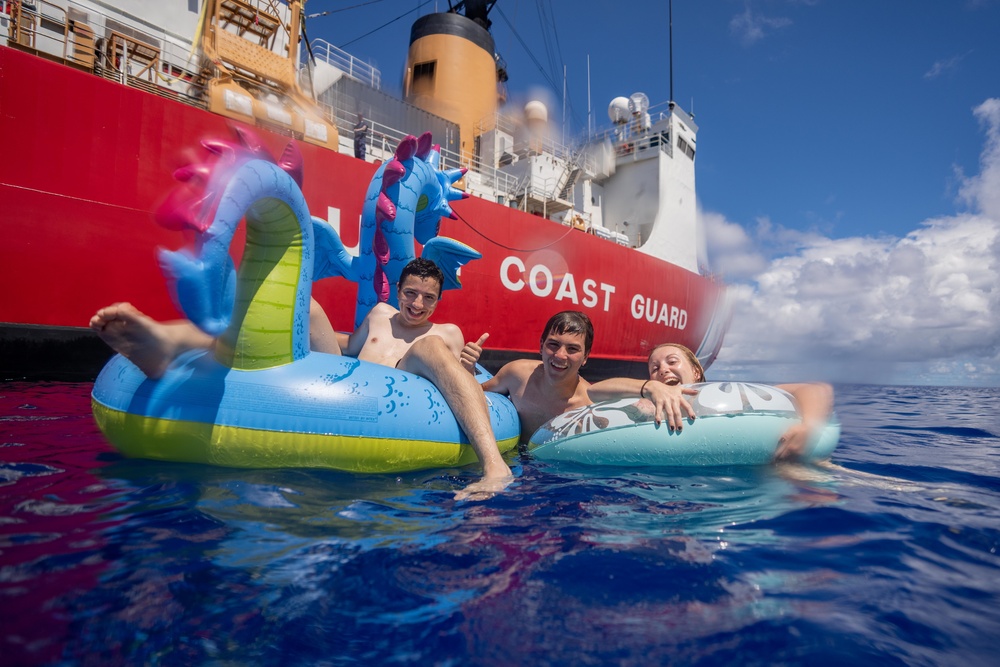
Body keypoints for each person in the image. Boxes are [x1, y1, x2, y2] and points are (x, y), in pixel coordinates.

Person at [90, 258, 512, 499]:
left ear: (439, 301)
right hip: (348, 379)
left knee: (428, 348)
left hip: (397, 400)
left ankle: (494, 468)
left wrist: (470, 363)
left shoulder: (446, 334)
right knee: (305, 306)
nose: (417, 305)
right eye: (410, 294)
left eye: (428, 298)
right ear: (397, 290)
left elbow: (456, 381)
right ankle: (171, 343)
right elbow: (347, 348)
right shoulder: (380, 314)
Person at [478, 311, 694, 439]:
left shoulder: (588, 405)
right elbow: (474, 394)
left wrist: (651, 387)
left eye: (572, 349)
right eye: (553, 345)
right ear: (541, 346)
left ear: (585, 358)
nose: (560, 356)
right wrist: (467, 368)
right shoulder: (516, 375)